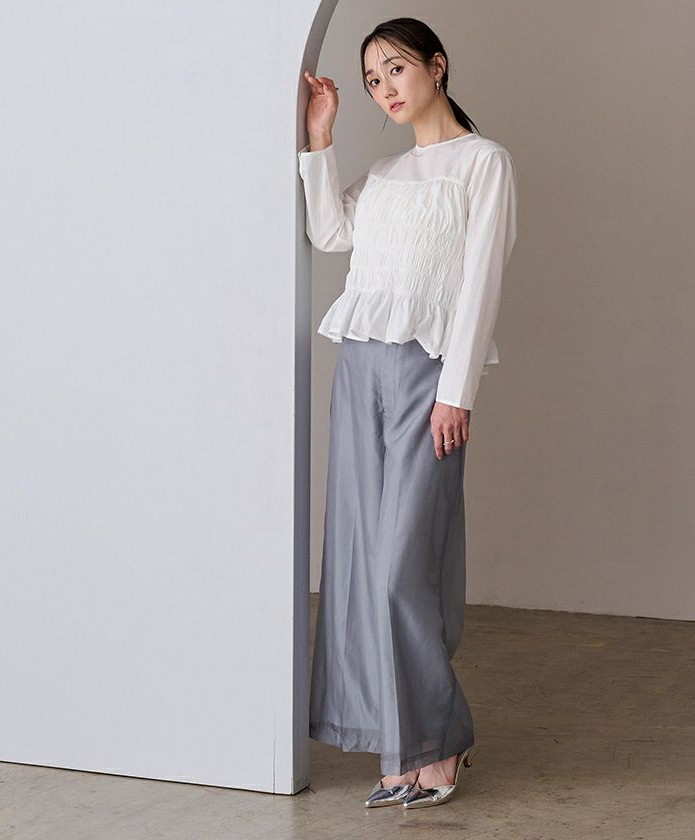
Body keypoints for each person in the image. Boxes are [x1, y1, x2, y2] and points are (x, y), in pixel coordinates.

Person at [298, 17, 518, 810]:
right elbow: (330, 232)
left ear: (437, 65)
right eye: (371, 80)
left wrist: (458, 390)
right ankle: (399, 747)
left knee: (403, 563)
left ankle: (439, 738)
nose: (384, 88)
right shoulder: (386, 171)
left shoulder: (483, 163)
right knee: (360, 561)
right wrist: (320, 137)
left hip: (429, 374)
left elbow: (482, 279)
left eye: (394, 69)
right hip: (361, 368)